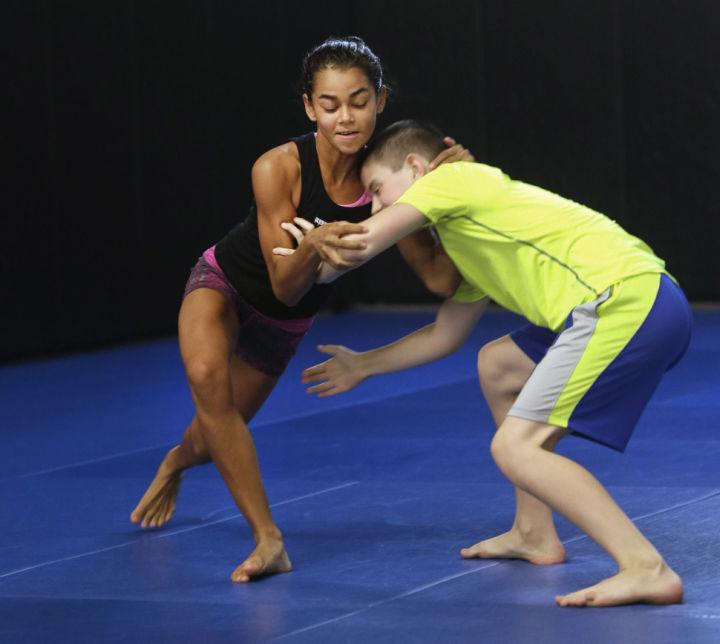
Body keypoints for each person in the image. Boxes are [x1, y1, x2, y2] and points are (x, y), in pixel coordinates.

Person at [294, 119, 692, 607]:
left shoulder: (451, 180)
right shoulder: (470, 232)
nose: (377, 206)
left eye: (377, 190)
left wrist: (300, 251)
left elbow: (351, 249)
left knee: (515, 448)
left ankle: (645, 567)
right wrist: (363, 366)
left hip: (624, 302)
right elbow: (446, 334)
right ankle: (533, 533)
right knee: (499, 364)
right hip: (645, 302)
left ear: (416, 167)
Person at [130, 41, 468, 583]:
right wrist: (312, 246)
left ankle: (174, 461)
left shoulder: (382, 174)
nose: (345, 117)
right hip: (226, 283)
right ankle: (269, 540)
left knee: (214, 430)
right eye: (330, 105)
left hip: (283, 324)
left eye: (358, 102)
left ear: (380, 101)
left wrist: (455, 193)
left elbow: (438, 279)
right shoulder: (277, 167)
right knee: (204, 375)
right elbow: (284, 284)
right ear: (310, 107)